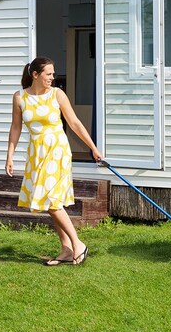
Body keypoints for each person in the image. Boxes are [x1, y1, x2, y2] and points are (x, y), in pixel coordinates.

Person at [5, 57, 103, 266]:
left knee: (50, 199)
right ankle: (66, 249)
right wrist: (10, 156)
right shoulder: (20, 97)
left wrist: (93, 148)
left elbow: (74, 123)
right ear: (35, 75)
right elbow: (15, 128)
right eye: (48, 74)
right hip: (36, 153)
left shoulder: (57, 94)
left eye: (52, 73)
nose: (52, 77)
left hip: (57, 150)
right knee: (49, 202)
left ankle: (78, 244)